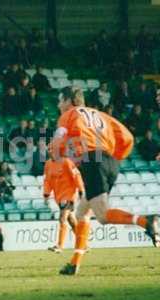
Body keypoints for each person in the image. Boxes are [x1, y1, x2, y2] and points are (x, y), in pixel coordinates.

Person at [51, 87, 159, 276]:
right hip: (110, 160)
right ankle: (74, 263)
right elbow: (127, 138)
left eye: (60, 101)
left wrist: (57, 154)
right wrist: (113, 157)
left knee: (102, 215)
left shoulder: (68, 115)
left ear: (69, 101)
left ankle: (146, 221)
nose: (59, 105)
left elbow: (58, 142)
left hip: (92, 161)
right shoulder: (100, 115)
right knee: (82, 212)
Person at [43, 154, 84, 253]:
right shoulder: (48, 164)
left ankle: (60, 246)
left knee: (62, 218)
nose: (51, 152)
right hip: (59, 196)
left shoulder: (66, 162)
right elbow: (47, 180)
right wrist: (46, 194)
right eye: (49, 150)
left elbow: (76, 175)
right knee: (72, 222)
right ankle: (84, 244)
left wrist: (80, 189)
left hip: (69, 194)